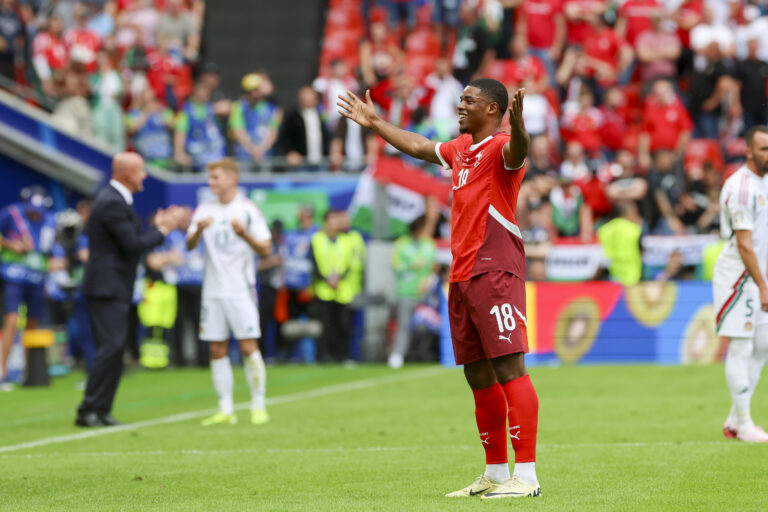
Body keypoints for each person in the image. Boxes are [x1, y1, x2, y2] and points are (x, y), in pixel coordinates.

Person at [338, 78, 540, 498]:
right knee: (477, 374)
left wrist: (519, 127)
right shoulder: (461, 149)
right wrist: (375, 122)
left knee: (509, 368)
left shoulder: (502, 147)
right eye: (460, 98)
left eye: (469, 100)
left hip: (495, 271)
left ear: (492, 109)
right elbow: (417, 145)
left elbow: (519, 151)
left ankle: (527, 476)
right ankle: (496, 473)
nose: (460, 105)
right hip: (462, 274)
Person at [75, 152, 183, 427]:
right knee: (110, 348)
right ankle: (89, 409)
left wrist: (156, 228)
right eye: (141, 171)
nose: (145, 175)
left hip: (113, 286)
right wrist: (164, 229)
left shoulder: (115, 199)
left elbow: (130, 240)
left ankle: (100, 409)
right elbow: (132, 245)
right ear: (126, 174)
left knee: (114, 349)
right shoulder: (112, 201)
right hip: (106, 287)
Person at [186, 158, 272, 426]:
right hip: (212, 290)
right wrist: (198, 231)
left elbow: (266, 249)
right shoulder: (204, 209)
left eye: (216, 177)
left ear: (232, 178)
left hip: (240, 289)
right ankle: (225, 409)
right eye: (210, 177)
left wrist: (244, 234)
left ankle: (258, 404)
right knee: (216, 348)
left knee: (247, 346)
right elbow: (189, 245)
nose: (211, 182)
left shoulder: (247, 209)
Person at [713, 126, 768, 443]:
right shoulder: (741, 188)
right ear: (748, 151)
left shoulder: (764, 182)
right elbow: (745, 245)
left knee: (763, 345)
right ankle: (745, 424)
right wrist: (762, 285)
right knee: (741, 346)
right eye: (763, 149)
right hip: (738, 278)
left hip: (758, 275)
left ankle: (735, 419)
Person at [0, 186, 57, 387]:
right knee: (12, 321)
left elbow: (53, 249)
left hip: (37, 280)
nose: (34, 214)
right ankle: (2, 371)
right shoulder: (11, 213)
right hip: (13, 277)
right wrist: (11, 244)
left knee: (32, 325)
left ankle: (29, 373)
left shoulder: (50, 220)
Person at [389, 215, 437, 369]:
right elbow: (396, 265)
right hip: (406, 291)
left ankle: (430, 354)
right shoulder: (401, 244)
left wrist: (429, 280)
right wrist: (412, 265)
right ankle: (398, 354)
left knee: (431, 324)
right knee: (403, 324)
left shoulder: (429, 244)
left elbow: (434, 266)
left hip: (426, 293)